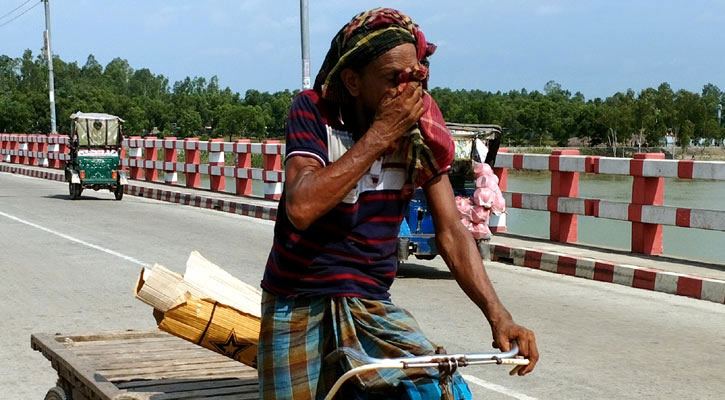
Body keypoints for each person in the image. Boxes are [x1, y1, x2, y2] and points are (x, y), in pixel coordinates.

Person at [258, 8, 538, 399]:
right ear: (353, 81)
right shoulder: (312, 112)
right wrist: (378, 136)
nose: (406, 92)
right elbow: (301, 208)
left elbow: (451, 232)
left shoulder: (420, 131)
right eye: (392, 79)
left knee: (438, 390)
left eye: (414, 78)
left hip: (371, 302)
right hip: (297, 298)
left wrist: (499, 315)